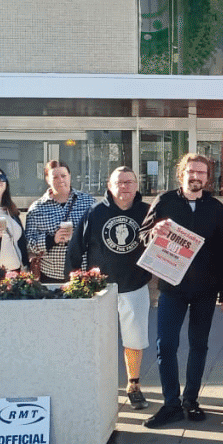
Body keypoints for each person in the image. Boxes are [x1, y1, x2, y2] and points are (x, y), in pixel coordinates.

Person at [140, 154, 223, 429]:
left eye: (201, 172)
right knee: (166, 345)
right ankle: (171, 404)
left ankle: (191, 400)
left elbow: (222, 251)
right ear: (181, 174)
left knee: (199, 345)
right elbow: (143, 235)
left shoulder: (216, 208)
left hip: (206, 288)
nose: (196, 176)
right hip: (172, 286)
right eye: (191, 171)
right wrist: (153, 232)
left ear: (208, 177)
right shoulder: (165, 201)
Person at [66, 167, 152, 411]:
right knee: (99, 340)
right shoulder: (95, 212)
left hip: (135, 285)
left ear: (136, 185)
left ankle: (133, 385)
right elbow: (76, 248)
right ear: (109, 185)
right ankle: (98, 386)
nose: (124, 186)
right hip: (101, 289)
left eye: (129, 182)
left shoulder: (147, 212)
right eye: (119, 182)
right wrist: (72, 281)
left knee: (134, 340)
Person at [25, 160, 95, 283]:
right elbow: (29, 243)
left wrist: (79, 236)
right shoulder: (37, 208)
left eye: (63, 176)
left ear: (70, 177)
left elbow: (98, 236)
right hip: (51, 274)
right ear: (47, 179)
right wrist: (53, 239)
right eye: (55, 177)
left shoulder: (88, 202)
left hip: (82, 273)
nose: (60, 180)